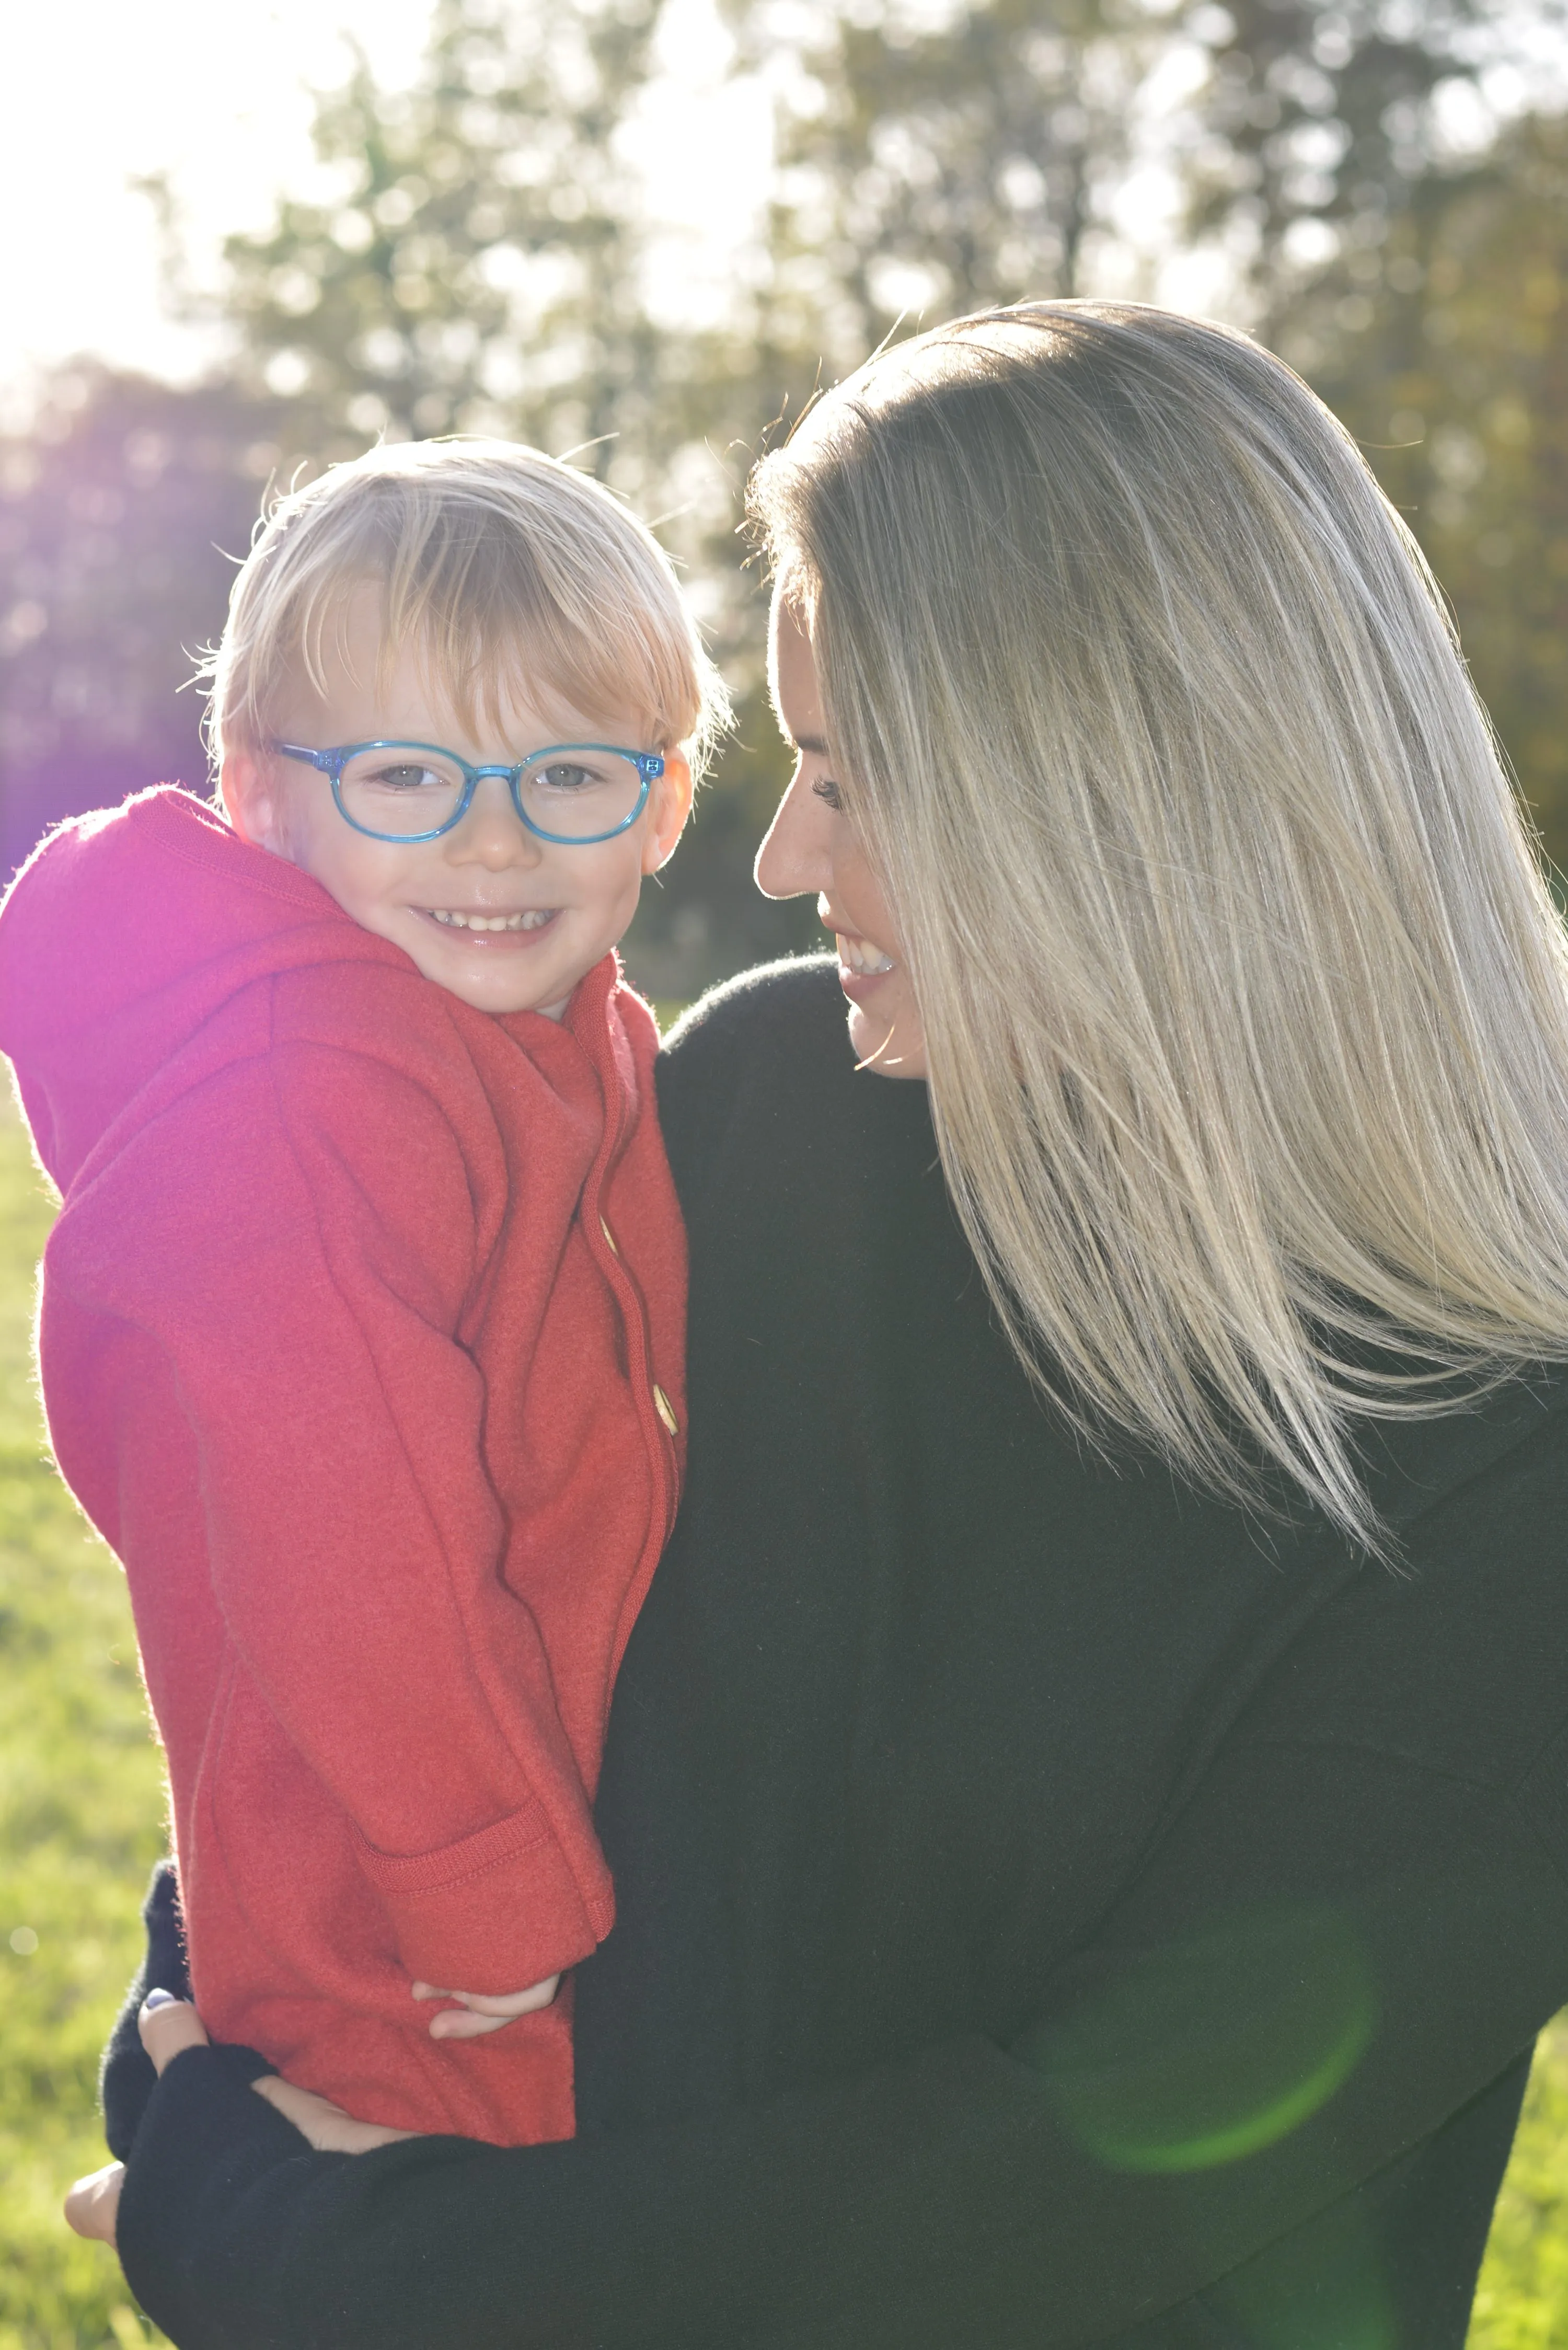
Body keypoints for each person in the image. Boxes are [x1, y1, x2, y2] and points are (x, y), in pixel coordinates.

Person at [67, 302, 1568, 2348]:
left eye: (856, 780)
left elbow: (1077, 2192)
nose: (783, 859)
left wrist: (327, 2248)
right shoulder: (767, 1107)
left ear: (1131, 805)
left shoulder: (1512, 1456)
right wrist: (231, 2017)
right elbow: (414, 1562)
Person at [0, 437, 718, 2146]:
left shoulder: (568, 1038)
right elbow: (348, 1534)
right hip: (406, 1929)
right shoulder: (308, 1099)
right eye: (409, 776)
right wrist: (486, 1887)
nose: (494, 841)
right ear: (263, 794)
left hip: (542, 1841)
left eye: (571, 777)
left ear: (668, 801)